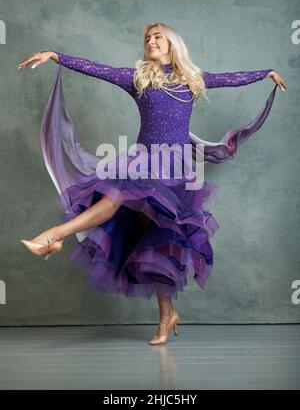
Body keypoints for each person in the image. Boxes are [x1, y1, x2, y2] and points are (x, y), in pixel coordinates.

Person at [18, 22, 286, 345]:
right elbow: (98, 69)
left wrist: (266, 73)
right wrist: (56, 56)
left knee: (140, 223)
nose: (151, 41)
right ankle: (162, 313)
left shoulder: (190, 81)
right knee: (139, 224)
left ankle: (55, 238)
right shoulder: (138, 80)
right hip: (142, 160)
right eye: (147, 38)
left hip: (173, 167)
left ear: (172, 43)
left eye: (158, 36)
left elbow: (230, 79)